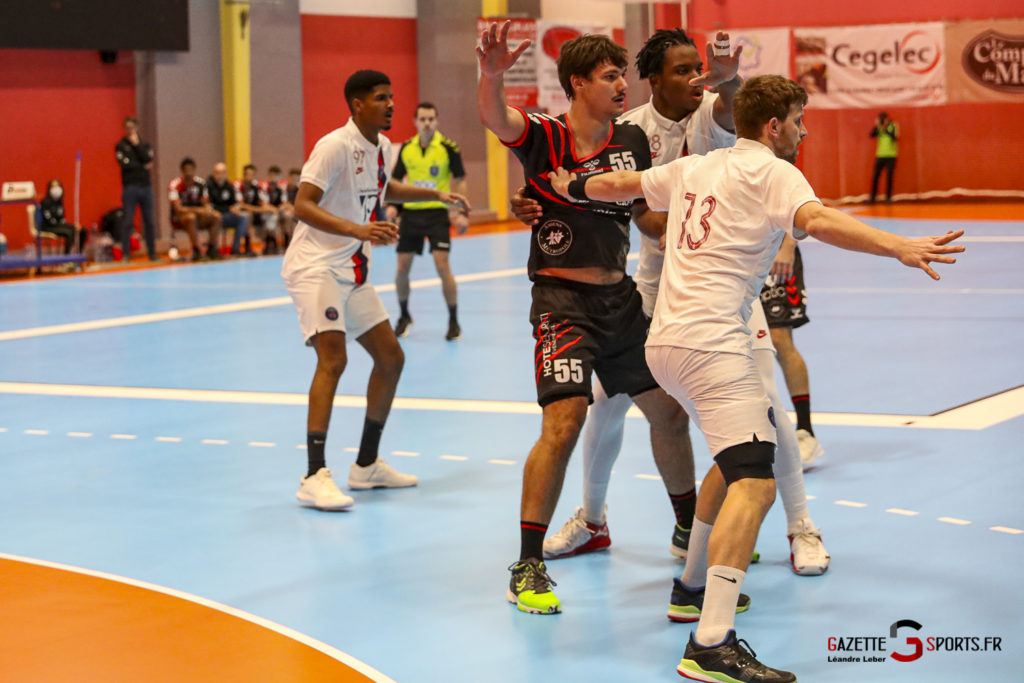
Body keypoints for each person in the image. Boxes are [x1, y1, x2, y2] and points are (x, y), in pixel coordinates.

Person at [549, 73, 963, 683]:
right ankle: (710, 643)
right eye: (798, 120)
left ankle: (691, 586)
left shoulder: (696, 167)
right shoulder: (776, 171)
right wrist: (897, 246)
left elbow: (623, 184)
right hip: (714, 345)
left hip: (662, 342)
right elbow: (819, 222)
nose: (802, 131)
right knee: (756, 483)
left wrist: (573, 182)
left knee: (734, 457)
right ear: (774, 126)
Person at [515, 28, 827, 591]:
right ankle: (592, 520)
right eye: (682, 71)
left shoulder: (713, 108)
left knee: (766, 408)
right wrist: (541, 198)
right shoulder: (629, 128)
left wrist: (728, 74)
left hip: (722, 288)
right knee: (603, 404)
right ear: (652, 79)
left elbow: (742, 113)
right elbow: (621, 201)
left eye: (699, 70)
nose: (695, 80)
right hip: (657, 285)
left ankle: (801, 526)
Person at [477, 21, 693, 616]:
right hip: (562, 302)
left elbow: (646, 217)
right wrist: (492, 73)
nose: (622, 84)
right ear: (578, 84)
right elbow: (497, 120)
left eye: (623, 74)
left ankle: (686, 532)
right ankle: (528, 564)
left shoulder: (632, 141)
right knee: (565, 420)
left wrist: (694, 234)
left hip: (621, 301)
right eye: (609, 76)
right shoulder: (544, 135)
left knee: (669, 414)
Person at [282, 69, 469, 510]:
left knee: (391, 357)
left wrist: (436, 195)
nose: (391, 105)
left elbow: (389, 188)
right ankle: (313, 475)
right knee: (334, 357)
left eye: (392, 97)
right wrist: (358, 229)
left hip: (350, 268)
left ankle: (366, 465)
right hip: (315, 267)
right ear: (357, 104)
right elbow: (302, 204)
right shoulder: (333, 147)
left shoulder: (384, 147)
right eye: (381, 98)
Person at [389, 103, 469, 341]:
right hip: (411, 215)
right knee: (402, 268)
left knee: (442, 265)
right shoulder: (406, 149)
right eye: (422, 119)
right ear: (415, 121)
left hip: (437, 213)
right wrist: (394, 206)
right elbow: (395, 180)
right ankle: (404, 316)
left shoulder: (448, 148)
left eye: (431, 119)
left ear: (437, 122)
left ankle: (453, 321)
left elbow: (460, 180)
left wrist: (461, 212)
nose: (427, 123)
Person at [759, 237, 824, 466]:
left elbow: (794, 203)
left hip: (772, 248)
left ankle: (805, 431)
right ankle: (759, 435)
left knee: (779, 338)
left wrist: (787, 244)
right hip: (737, 253)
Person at [115, 116, 157, 261]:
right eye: (127, 128)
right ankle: (126, 254)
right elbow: (125, 165)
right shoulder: (121, 145)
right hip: (130, 187)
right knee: (127, 220)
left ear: (137, 128)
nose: (130, 130)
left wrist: (137, 145)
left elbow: (148, 159)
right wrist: (142, 166)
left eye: (132, 127)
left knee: (149, 221)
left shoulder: (144, 144)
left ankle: (152, 253)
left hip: (146, 187)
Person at [168, 157, 222, 261]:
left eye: (190, 170)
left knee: (216, 216)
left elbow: (206, 205)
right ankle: (197, 250)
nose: (188, 173)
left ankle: (211, 248)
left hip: (199, 216)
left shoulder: (201, 183)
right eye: (186, 170)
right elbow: (178, 209)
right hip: (180, 219)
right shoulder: (175, 184)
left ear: (194, 169)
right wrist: (198, 210)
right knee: (191, 217)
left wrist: (206, 210)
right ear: (182, 171)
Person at [206, 163, 250, 256]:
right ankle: (213, 249)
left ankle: (235, 248)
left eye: (222, 172)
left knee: (243, 217)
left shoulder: (229, 186)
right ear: (214, 173)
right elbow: (208, 205)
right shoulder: (208, 185)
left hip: (227, 215)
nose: (220, 175)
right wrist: (225, 209)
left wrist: (236, 208)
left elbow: (234, 203)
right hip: (215, 216)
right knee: (216, 218)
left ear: (226, 173)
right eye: (217, 172)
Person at [237, 163, 278, 256]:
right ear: (244, 174)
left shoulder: (256, 186)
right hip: (242, 213)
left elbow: (263, 202)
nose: (249, 177)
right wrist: (258, 209)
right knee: (247, 215)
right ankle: (247, 246)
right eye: (247, 174)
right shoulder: (238, 185)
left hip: (255, 211)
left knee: (271, 214)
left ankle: (270, 243)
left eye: (252, 174)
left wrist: (272, 209)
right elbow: (241, 205)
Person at [38, 179, 83, 254]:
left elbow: (61, 219)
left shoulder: (59, 201)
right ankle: (66, 258)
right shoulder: (45, 201)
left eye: (57, 186)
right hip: (48, 227)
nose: (56, 188)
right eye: (53, 186)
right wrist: (69, 227)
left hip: (58, 225)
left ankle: (78, 254)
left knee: (82, 230)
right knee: (70, 232)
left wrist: (73, 226)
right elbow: (49, 220)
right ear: (49, 189)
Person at [262, 165, 292, 254]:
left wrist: (279, 209)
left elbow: (285, 203)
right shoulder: (263, 186)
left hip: (278, 211)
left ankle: (286, 242)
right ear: (268, 176)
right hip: (267, 212)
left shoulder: (282, 187)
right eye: (271, 175)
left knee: (288, 215)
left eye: (276, 175)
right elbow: (264, 204)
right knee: (271, 218)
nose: (273, 178)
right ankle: (271, 243)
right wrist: (274, 210)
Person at [869, 111, 898, 204]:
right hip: (880, 155)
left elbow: (894, 137)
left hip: (891, 155)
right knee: (875, 176)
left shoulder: (893, 125)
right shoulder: (879, 127)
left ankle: (888, 198)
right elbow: (871, 135)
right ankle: (872, 198)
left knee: (889, 177)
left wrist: (885, 127)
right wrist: (877, 125)